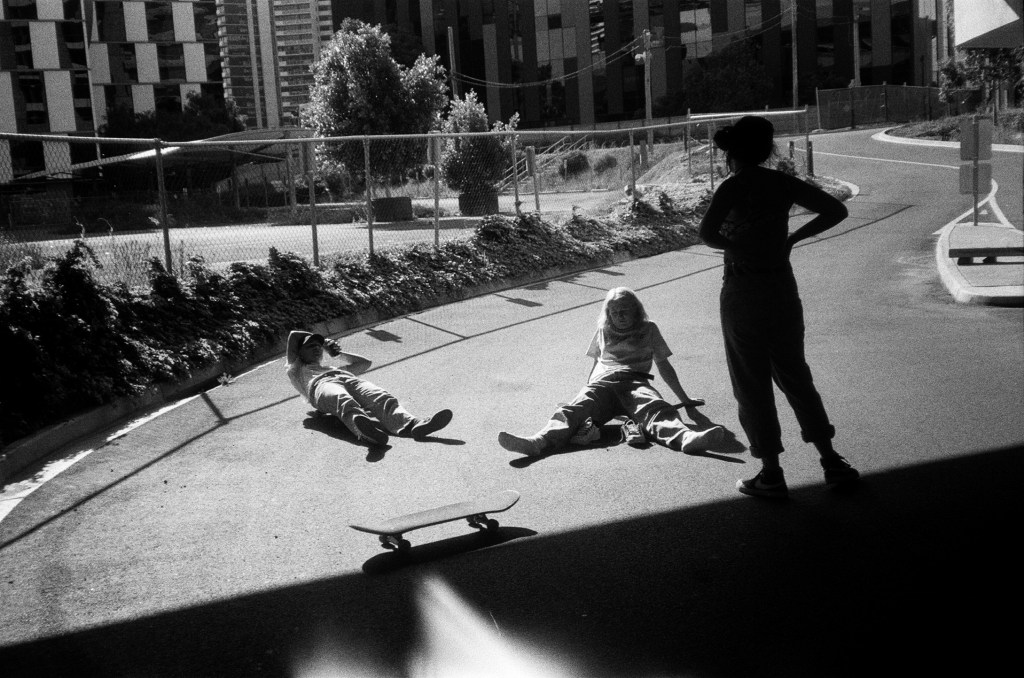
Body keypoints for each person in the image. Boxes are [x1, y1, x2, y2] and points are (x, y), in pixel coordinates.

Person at [698, 115, 860, 499]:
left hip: (742, 288)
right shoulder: (783, 183)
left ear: (731, 153)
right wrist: (790, 239)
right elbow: (837, 210)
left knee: (751, 383)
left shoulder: (732, 186)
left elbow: (707, 233)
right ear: (768, 149)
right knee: (795, 374)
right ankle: (832, 461)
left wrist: (740, 248)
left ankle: (771, 473)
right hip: (781, 287)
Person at [498, 287, 724, 456]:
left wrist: (684, 400)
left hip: (636, 382)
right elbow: (596, 363)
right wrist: (586, 390)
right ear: (608, 313)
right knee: (572, 410)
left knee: (656, 409)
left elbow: (664, 365)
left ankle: (686, 438)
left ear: (637, 311)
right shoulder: (603, 330)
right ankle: (536, 443)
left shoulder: (649, 328)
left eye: (625, 310)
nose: (620, 316)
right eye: (615, 311)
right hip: (603, 384)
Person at [286, 330, 452, 446]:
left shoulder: (332, 368)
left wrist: (338, 355)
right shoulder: (297, 370)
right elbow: (294, 335)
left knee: (380, 396)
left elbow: (365, 363)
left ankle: (414, 424)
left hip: (345, 378)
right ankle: (367, 433)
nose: (316, 348)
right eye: (310, 346)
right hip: (320, 386)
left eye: (318, 346)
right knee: (342, 399)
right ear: (299, 353)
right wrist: (324, 340)